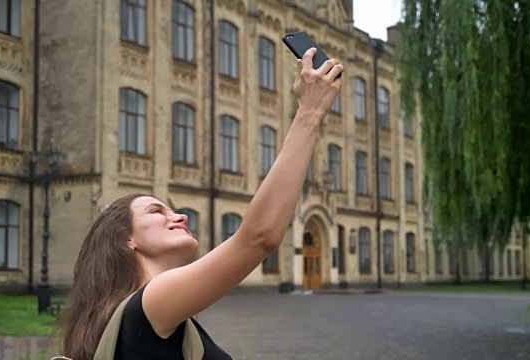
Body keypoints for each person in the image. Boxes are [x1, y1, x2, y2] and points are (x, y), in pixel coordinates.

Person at [58, 48, 344, 360]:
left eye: (171, 209)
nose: (178, 216)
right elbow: (259, 236)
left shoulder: (146, 316)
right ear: (127, 239)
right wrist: (309, 112)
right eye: (156, 211)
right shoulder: (148, 305)